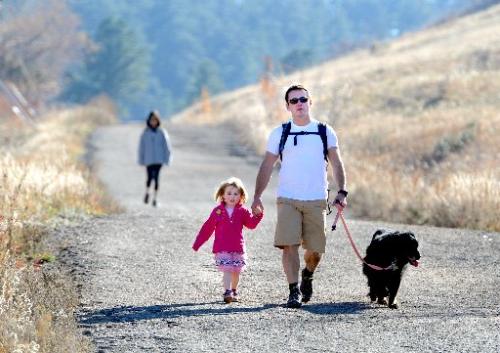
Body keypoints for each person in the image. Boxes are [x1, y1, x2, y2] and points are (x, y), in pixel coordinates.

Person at [251, 84, 347, 308]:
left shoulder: (324, 131)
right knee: (289, 244)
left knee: (315, 251)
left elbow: (336, 162)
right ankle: (293, 291)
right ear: (287, 106)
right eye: (294, 101)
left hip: (316, 199)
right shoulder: (280, 133)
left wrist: (342, 191)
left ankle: (308, 274)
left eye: (303, 99)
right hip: (288, 198)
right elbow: (267, 165)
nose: (299, 104)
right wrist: (257, 196)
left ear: (310, 102)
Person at [192, 177, 263, 303]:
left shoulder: (243, 211)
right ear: (222, 196)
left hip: (238, 248)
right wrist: (198, 243)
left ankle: (234, 290)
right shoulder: (218, 211)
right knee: (227, 270)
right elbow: (208, 228)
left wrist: (258, 215)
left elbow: (251, 225)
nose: (232, 196)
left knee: (236, 271)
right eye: (229, 193)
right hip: (222, 247)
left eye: (236, 193)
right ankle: (227, 291)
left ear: (241, 196)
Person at [138, 111, 172, 207]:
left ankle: (155, 199)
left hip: (159, 160)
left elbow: (167, 146)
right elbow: (141, 147)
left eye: (155, 120)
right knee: (149, 178)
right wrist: (141, 160)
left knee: (156, 178)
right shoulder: (145, 133)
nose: (153, 122)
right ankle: (147, 192)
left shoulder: (162, 132)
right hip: (148, 160)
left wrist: (168, 159)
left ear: (158, 121)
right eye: (152, 120)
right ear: (149, 121)